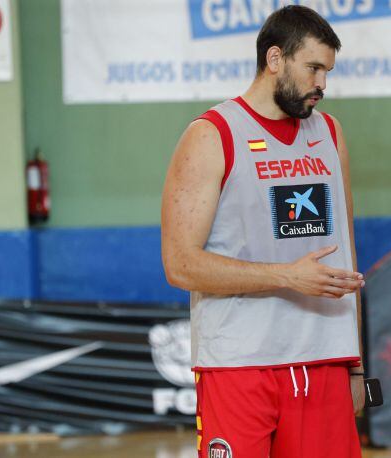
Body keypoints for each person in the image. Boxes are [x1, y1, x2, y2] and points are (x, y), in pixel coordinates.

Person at [160, 6, 365, 458]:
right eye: (313, 68)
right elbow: (180, 264)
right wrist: (286, 276)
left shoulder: (330, 134)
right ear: (275, 59)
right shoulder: (212, 134)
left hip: (325, 359)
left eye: (327, 71)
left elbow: (347, 257)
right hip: (240, 364)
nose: (322, 84)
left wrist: (355, 368)